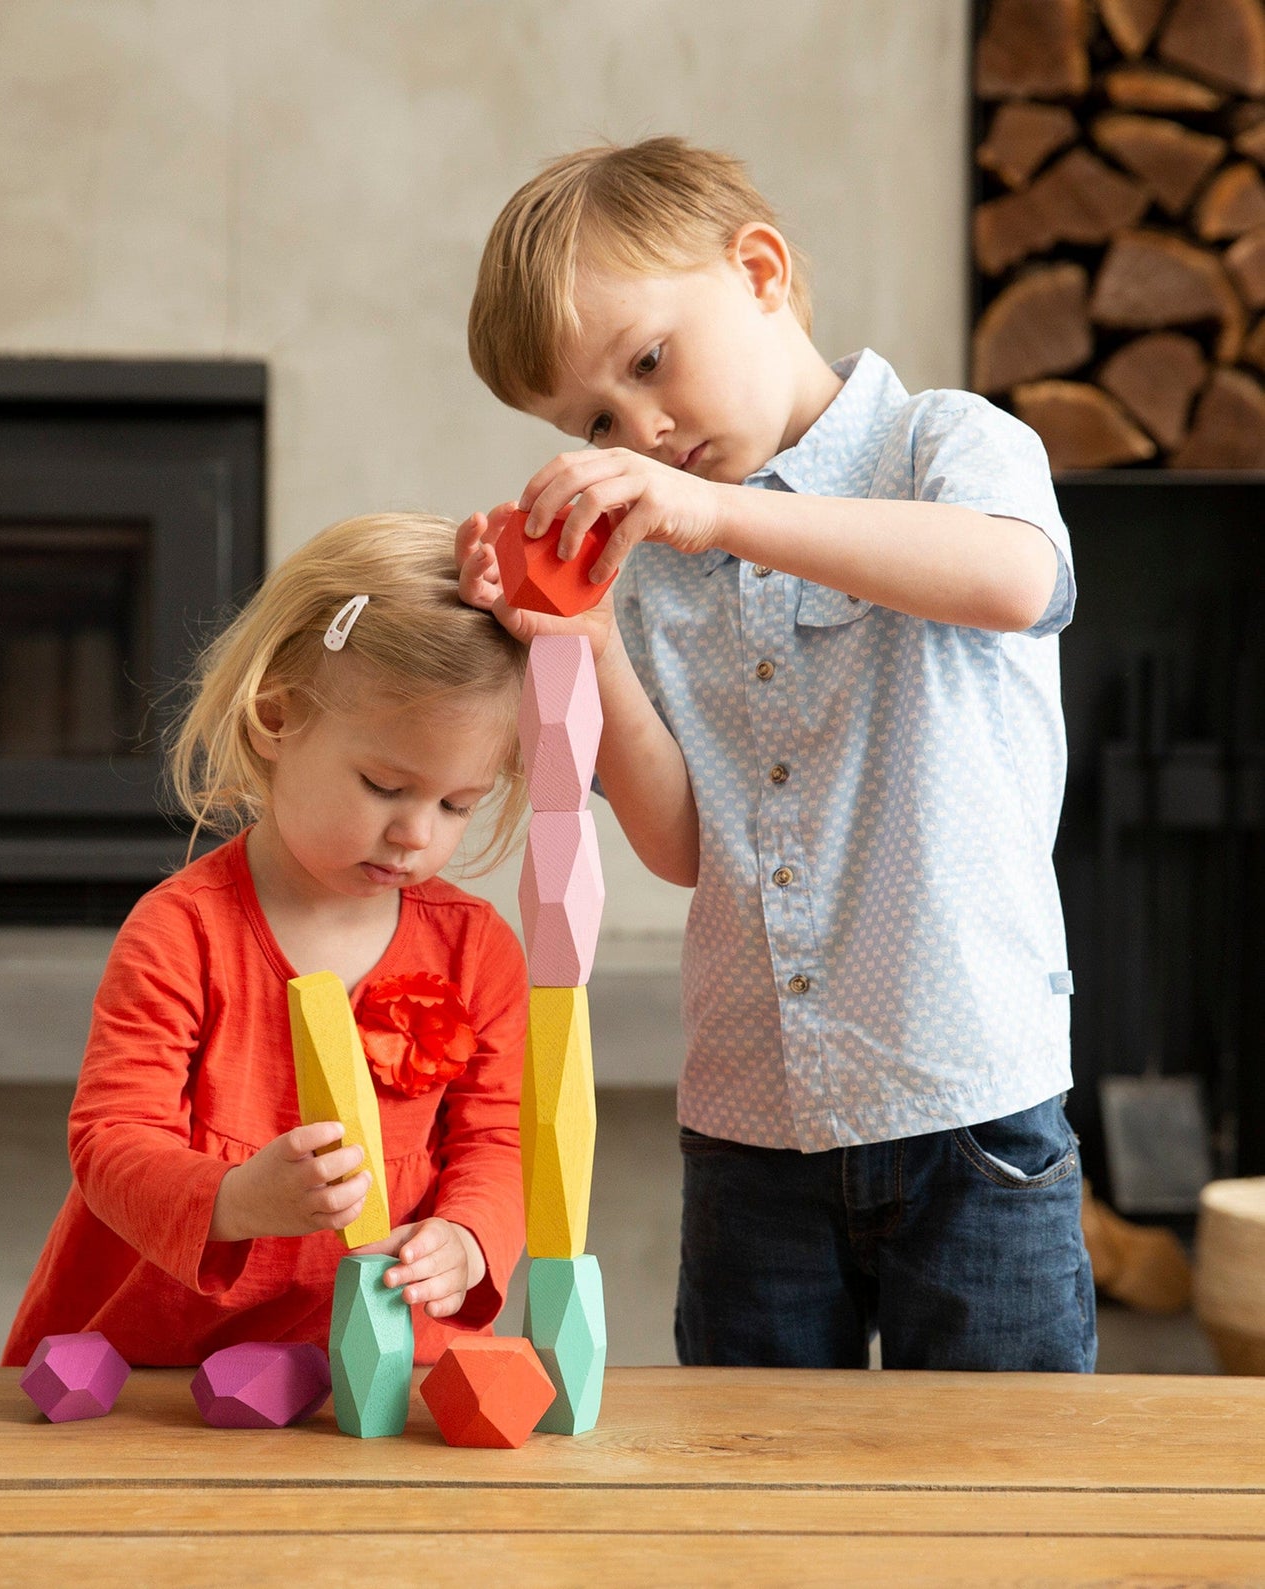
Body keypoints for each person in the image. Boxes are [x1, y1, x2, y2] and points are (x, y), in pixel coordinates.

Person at [459, 136, 1094, 1372]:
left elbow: (1012, 576)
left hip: (967, 1103)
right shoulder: (653, 573)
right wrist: (583, 640)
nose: (637, 428)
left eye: (648, 363)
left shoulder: (944, 442)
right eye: (594, 417)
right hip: (751, 1118)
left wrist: (727, 514)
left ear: (757, 270)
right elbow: (684, 845)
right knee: (742, 1486)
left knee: (997, 1496)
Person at [5, 512, 531, 1369]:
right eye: (385, 785)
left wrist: (469, 1236)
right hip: (158, 1365)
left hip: (374, 1362)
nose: (414, 834)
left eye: (455, 804)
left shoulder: (476, 950)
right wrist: (236, 1199)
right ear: (275, 721)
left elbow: (497, 1139)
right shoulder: (182, 930)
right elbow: (110, 1138)